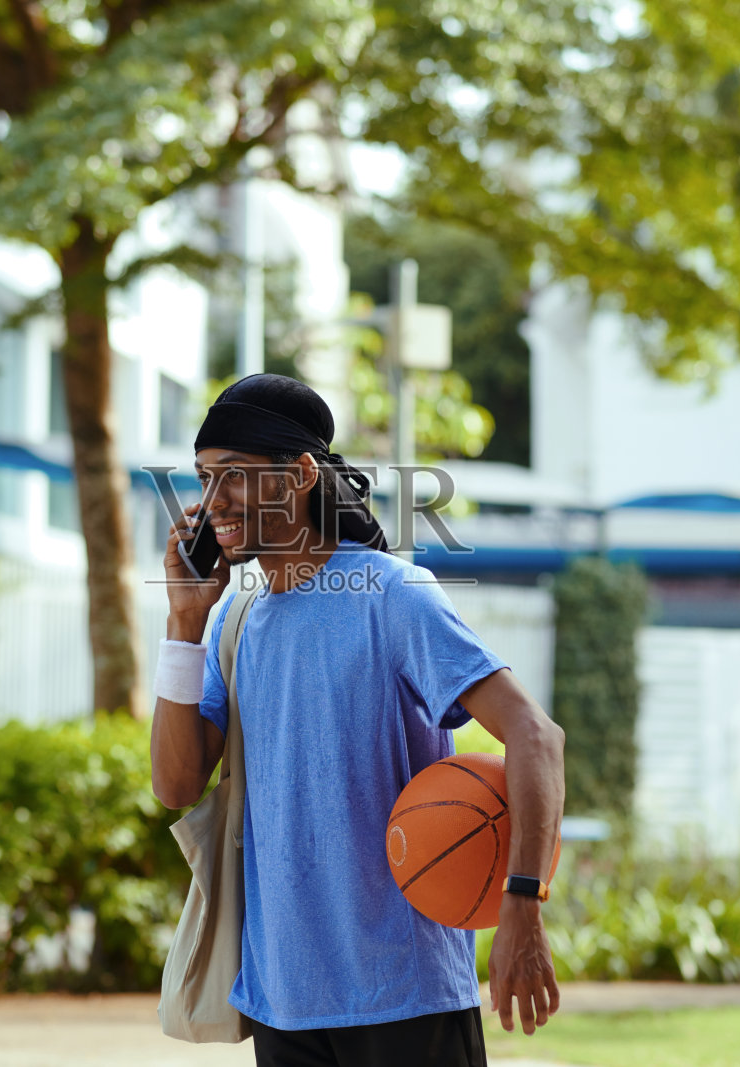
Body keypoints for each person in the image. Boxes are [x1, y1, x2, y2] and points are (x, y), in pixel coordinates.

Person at [150, 373, 564, 1067]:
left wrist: (523, 901)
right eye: (202, 478)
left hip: (407, 998)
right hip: (281, 1003)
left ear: (302, 474)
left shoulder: (392, 596)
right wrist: (184, 622)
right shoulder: (234, 619)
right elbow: (175, 783)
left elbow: (534, 734)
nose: (211, 502)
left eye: (235, 477)